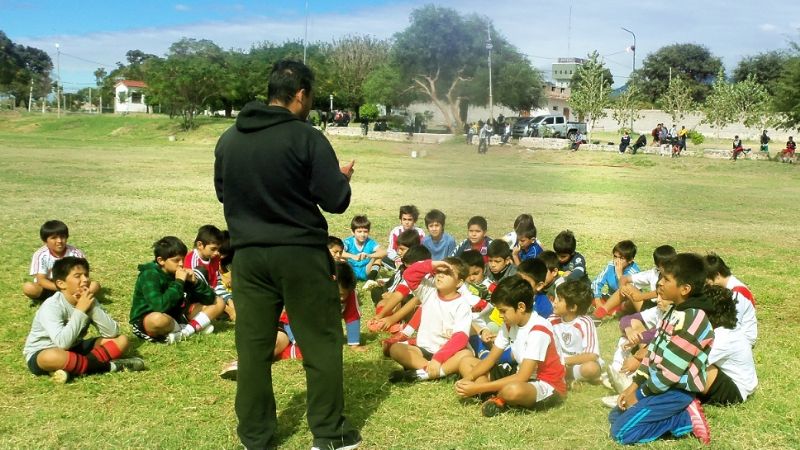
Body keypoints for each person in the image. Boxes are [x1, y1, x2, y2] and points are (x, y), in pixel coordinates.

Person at [213, 59, 360, 450]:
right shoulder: (307, 138)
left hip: (248, 257)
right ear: (301, 94)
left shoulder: (229, 139)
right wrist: (341, 179)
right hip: (300, 255)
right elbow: (335, 201)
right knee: (320, 344)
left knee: (253, 348)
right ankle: (329, 435)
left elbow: (225, 193)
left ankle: (256, 437)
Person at [609, 253, 715, 445]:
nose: (659, 283)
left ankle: (683, 418)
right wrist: (632, 387)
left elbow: (670, 374)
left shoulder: (693, 320)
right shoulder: (673, 312)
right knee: (615, 415)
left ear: (685, 289)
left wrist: (639, 395)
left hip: (675, 391)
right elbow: (652, 353)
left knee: (621, 433)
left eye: (666, 279)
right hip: (658, 386)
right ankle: (671, 415)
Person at [455, 276, 566, 416]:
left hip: (546, 384)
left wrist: (476, 387)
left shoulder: (538, 330)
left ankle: (494, 396)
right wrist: (468, 378)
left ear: (521, 307)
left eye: (503, 311)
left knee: (512, 390)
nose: (500, 315)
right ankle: (491, 398)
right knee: (467, 362)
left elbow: (521, 378)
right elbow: (490, 359)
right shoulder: (509, 324)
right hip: (519, 373)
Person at [23, 257, 144, 384]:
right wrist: (80, 310)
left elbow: (111, 332)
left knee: (122, 340)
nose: (85, 280)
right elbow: (62, 343)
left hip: (75, 347)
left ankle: (73, 368)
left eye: (86, 275)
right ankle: (109, 366)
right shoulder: (51, 306)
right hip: (45, 351)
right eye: (78, 276)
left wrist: (91, 306)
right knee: (51, 357)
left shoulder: (87, 299)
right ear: (61, 283)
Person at [386, 258, 474, 383]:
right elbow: (409, 274)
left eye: (447, 273)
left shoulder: (462, 304)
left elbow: (461, 337)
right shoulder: (429, 290)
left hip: (448, 354)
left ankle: (422, 374)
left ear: (459, 282)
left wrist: (438, 358)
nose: (440, 275)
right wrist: (432, 264)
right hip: (423, 349)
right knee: (396, 349)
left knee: (466, 355)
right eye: (438, 271)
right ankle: (438, 372)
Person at [129, 236, 223, 344]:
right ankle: (193, 327)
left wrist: (196, 282)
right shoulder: (149, 275)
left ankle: (185, 332)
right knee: (157, 319)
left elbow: (210, 299)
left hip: (177, 317)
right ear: (161, 260)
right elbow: (159, 306)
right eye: (176, 260)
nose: (181, 264)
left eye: (183, 259)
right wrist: (179, 282)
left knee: (219, 302)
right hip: (150, 319)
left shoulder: (179, 272)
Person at [698, 285, 758, 406]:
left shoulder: (723, 337)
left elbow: (696, 361)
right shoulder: (727, 329)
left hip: (736, 391)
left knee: (692, 367)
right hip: (735, 382)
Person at [23, 220, 101, 302]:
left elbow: (84, 276)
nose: (59, 241)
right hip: (50, 287)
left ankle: (77, 299)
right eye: (54, 238)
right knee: (28, 287)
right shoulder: (41, 255)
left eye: (62, 237)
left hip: (73, 287)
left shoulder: (75, 253)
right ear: (45, 241)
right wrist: (62, 288)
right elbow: (41, 280)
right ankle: (54, 299)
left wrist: (74, 288)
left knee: (95, 285)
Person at [549, 279, 603, 387]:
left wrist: (563, 361)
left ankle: (564, 377)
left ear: (573, 307)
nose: (554, 302)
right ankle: (567, 378)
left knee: (592, 369)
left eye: (559, 300)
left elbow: (592, 355)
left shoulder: (585, 323)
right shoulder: (551, 320)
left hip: (576, 364)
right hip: (558, 363)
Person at [703, 253, 757, 347]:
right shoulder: (731, 289)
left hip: (742, 340)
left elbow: (734, 323)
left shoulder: (738, 293)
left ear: (717, 275)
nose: (707, 285)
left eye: (707, 281)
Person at [591, 240, 641, 320]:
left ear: (630, 260)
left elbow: (628, 293)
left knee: (626, 305)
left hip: (625, 302)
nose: (617, 261)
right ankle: (605, 310)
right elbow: (596, 283)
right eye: (615, 256)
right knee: (589, 293)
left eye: (621, 258)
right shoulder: (611, 265)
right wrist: (598, 301)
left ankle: (607, 312)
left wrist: (619, 275)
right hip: (610, 299)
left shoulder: (635, 272)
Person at [341, 215, 387, 283]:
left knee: (378, 258)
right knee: (340, 258)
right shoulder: (348, 242)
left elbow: (384, 252)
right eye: (359, 231)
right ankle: (344, 279)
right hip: (351, 270)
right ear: (352, 232)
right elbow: (339, 252)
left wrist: (369, 255)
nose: (362, 234)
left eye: (365, 231)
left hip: (365, 270)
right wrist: (353, 256)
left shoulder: (370, 242)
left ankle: (370, 279)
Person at [384, 205, 425, 270]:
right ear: (401, 220)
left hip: (414, 261)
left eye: (409, 220)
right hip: (398, 259)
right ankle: (397, 268)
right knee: (382, 257)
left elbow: (421, 251)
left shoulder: (420, 233)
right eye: (404, 219)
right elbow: (390, 250)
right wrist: (397, 259)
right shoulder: (396, 231)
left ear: (415, 220)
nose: (407, 222)